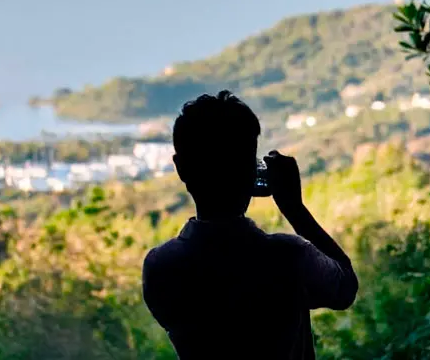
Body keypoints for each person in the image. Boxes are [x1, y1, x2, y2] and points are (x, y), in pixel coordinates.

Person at [142, 90, 358, 360]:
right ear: (252, 171)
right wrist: (295, 209)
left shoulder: (161, 267)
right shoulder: (288, 257)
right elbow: (345, 288)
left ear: (180, 167)